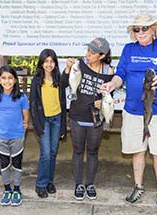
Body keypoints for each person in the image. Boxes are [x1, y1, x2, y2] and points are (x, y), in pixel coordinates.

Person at [100, 14, 157, 210]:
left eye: (145, 28)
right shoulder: (129, 49)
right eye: (137, 29)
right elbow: (121, 74)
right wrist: (112, 84)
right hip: (133, 110)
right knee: (137, 150)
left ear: (153, 30)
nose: (141, 32)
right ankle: (138, 186)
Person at [62, 37, 114, 200]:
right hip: (77, 116)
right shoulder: (79, 65)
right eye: (88, 51)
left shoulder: (108, 71)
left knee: (92, 151)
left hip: (95, 119)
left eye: (92, 52)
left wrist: (103, 100)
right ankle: (78, 184)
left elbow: (109, 93)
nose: (88, 54)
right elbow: (64, 84)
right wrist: (67, 69)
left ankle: (90, 184)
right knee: (78, 151)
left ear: (102, 55)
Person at [29, 49, 67, 198]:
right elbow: (32, 104)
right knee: (45, 154)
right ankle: (41, 184)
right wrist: (38, 126)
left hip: (57, 119)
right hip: (43, 120)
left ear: (55, 63)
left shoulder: (58, 79)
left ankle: (50, 181)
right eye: (46, 61)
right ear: (41, 63)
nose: (49, 64)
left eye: (51, 61)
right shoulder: (37, 80)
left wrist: (63, 125)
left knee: (52, 152)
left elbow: (63, 103)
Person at [0, 65, 29, 206]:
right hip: (1, 137)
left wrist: (23, 127)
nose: (7, 81)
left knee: (17, 163)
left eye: (10, 78)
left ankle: (17, 189)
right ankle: (7, 189)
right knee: (4, 164)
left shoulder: (21, 97)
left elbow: (25, 115)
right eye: (4, 78)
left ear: (15, 80)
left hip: (17, 136)